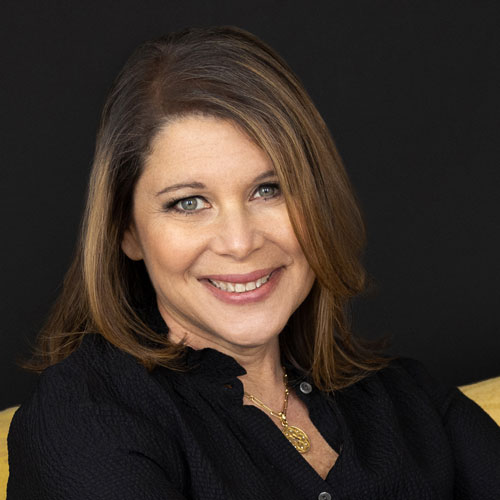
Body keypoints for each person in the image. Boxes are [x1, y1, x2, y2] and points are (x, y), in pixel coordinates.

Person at [7, 26, 500, 500]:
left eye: (269, 190)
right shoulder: (82, 419)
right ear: (127, 231)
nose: (240, 243)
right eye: (189, 202)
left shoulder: (408, 400)